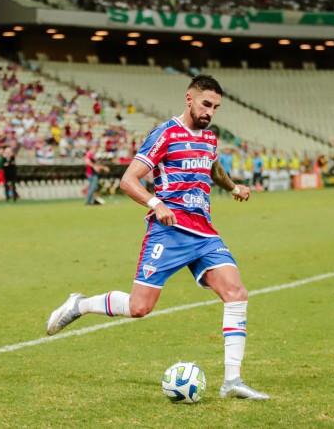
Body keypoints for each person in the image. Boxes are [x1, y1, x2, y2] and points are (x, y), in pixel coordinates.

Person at [46, 75, 268, 400]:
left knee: (236, 293)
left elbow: (213, 168)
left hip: (204, 233)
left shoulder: (209, 138)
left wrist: (234, 187)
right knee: (139, 307)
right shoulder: (165, 133)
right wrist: (156, 203)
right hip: (169, 230)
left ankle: (232, 381)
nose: (210, 112)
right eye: (206, 104)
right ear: (189, 99)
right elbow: (128, 180)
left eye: (216, 107)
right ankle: (80, 304)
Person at [83, 141, 109, 206]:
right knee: (92, 188)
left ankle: (90, 201)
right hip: (91, 174)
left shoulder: (92, 156)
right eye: (95, 148)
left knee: (93, 188)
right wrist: (94, 166)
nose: (96, 150)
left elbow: (96, 165)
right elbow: (87, 162)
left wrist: (104, 167)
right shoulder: (89, 154)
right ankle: (88, 202)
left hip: (93, 174)